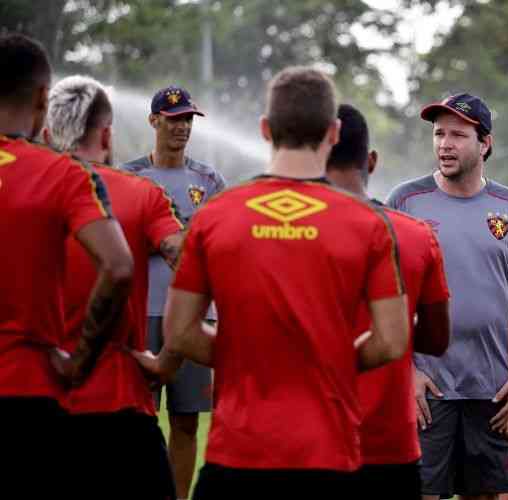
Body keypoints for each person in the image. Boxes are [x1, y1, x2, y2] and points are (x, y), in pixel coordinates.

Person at [133, 66, 410, 498]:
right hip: (328, 456)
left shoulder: (215, 215)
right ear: (334, 132)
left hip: (235, 458)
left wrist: (243, 357)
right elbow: (393, 341)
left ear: (265, 130)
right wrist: (326, 359)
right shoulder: (369, 224)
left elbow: (180, 332)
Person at [0, 33, 133, 494]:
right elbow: (118, 267)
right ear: (42, 98)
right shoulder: (64, 175)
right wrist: (79, 361)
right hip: (27, 391)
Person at [44, 74, 184, 499]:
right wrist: (168, 358)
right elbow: (191, 263)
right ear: (106, 134)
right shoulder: (143, 193)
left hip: (32, 397)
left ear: (48, 133)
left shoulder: (18, 187)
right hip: (120, 408)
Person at [387, 93, 508, 500]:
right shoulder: (405, 202)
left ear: (484, 144)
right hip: (428, 388)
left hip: (493, 388)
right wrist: (407, 371)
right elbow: (386, 296)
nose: (445, 144)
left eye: (458, 135)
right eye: (438, 134)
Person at [326, 103, 451, 500]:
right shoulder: (415, 235)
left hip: (311, 439)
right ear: (372, 161)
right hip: (390, 444)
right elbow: (435, 339)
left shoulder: (288, 235)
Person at [121, 84, 224, 499]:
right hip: (141, 311)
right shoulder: (129, 176)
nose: (182, 127)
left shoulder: (208, 178)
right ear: (154, 121)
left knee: (186, 418)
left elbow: (219, 242)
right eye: (174, 118)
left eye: (187, 120)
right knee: (137, 418)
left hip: (196, 315)